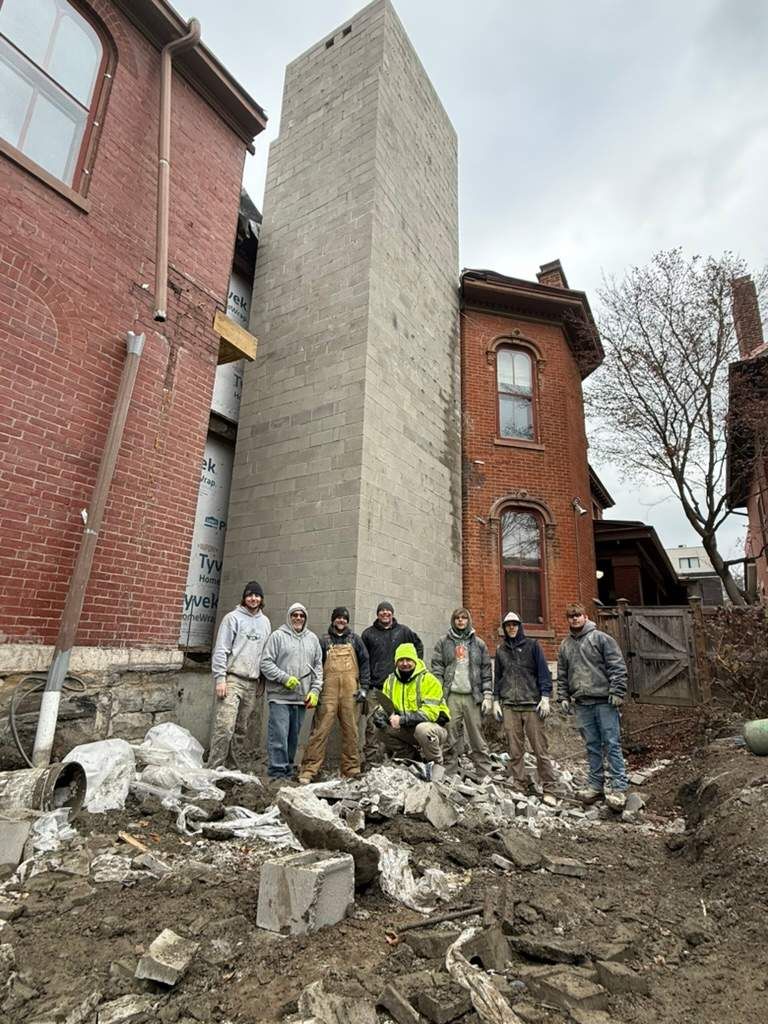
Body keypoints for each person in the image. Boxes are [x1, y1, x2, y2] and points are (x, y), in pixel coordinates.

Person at [557, 602, 630, 810]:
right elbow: (562, 675)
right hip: (582, 703)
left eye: (578, 615)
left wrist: (617, 691)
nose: (575, 619)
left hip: (604, 702)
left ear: (585, 616)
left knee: (611, 743)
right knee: (592, 746)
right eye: (571, 616)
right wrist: (563, 697)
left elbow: (617, 666)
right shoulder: (565, 645)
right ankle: (596, 786)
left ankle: (619, 787)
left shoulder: (601, 639)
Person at [298, 606, 370, 783]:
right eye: (338, 618)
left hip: (350, 693)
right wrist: (314, 691)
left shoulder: (356, 640)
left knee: (351, 730)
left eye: (344, 618)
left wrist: (364, 688)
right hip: (327, 692)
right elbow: (315, 667)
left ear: (347, 621)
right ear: (333, 619)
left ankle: (351, 768)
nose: (341, 621)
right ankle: (309, 769)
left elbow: (365, 663)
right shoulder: (323, 641)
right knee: (320, 730)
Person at [493, 611, 558, 804]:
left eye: (514, 624)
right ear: (504, 628)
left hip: (531, 705)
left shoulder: (533, 646)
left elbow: (543, 673)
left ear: (520, 626)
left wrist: (545, 696)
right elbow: (498, 677)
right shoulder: (501, 650)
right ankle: (519, 784)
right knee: (515, 750)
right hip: (510, 706)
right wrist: (496, 700)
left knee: (540, 749)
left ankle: (549, 788)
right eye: (508, 625)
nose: (511, 627)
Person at [207, 581, 271, 768]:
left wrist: (262, 681)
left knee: (241, 729)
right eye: (250, 595)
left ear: (261, 599)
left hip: (252, 682)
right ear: (244, 597)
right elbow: (221, 650)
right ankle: (213, 768)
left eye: (257, 595)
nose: (253, 599)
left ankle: (233, 768)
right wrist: (220, 678)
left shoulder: (265, 622)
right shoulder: (232, 618)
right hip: (232, 678)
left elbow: (265, 654)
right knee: (225, 726)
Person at [260, 602, 323, 781]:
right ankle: (277, 773)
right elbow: (265, 663)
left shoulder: (312, 639)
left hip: (301, 698)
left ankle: (287, 770)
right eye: (294, 615)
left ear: (305, 618)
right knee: (279, 735)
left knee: (292, 739)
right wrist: (284, 678)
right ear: (289, 617)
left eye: (301, 615)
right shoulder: (277, 636)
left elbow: (317, 667)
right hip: (280, 697)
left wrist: (315, 691)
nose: (298, 618)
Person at [373, 642, 450, 781]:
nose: (405, 663)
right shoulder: (390, 681)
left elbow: (430, 713)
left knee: (423, 730)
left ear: (415, 660)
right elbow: (385, 706)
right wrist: (380, 715)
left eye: (408, 660)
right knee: (380, 730)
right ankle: (412, 758)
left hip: (434, 729)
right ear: (396, 662)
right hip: (407, 729)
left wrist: (402, 720)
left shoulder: (429, 680)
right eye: (401, 660)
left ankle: (436, 765)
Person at [431, 608, 494, 778]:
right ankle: (448, 774)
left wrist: (487, 694)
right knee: (448, 736)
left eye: (464, 618)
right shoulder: (443, 642)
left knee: (477, 736)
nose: (460, 621)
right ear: (453, 621)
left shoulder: (478, 644)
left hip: (472, 696)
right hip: (451, 695)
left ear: (468, 621)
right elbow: (437, 667)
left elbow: (486, 670)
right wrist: (438, 691)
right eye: (457, 618)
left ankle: (484, 774)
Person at [361, 601, 423, 763]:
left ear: (392, 614)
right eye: (381, 611)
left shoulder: (403, 632)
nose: (385, 613)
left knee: (396, 725)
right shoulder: (368, 634)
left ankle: (396, 760)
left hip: (397, 688)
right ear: (377, 614)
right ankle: (372, 761)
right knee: (373, 726)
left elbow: (418, 646)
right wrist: (365, 683)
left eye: (388, 611)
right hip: (376, 689)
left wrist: (413, 671)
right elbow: (362, 660)